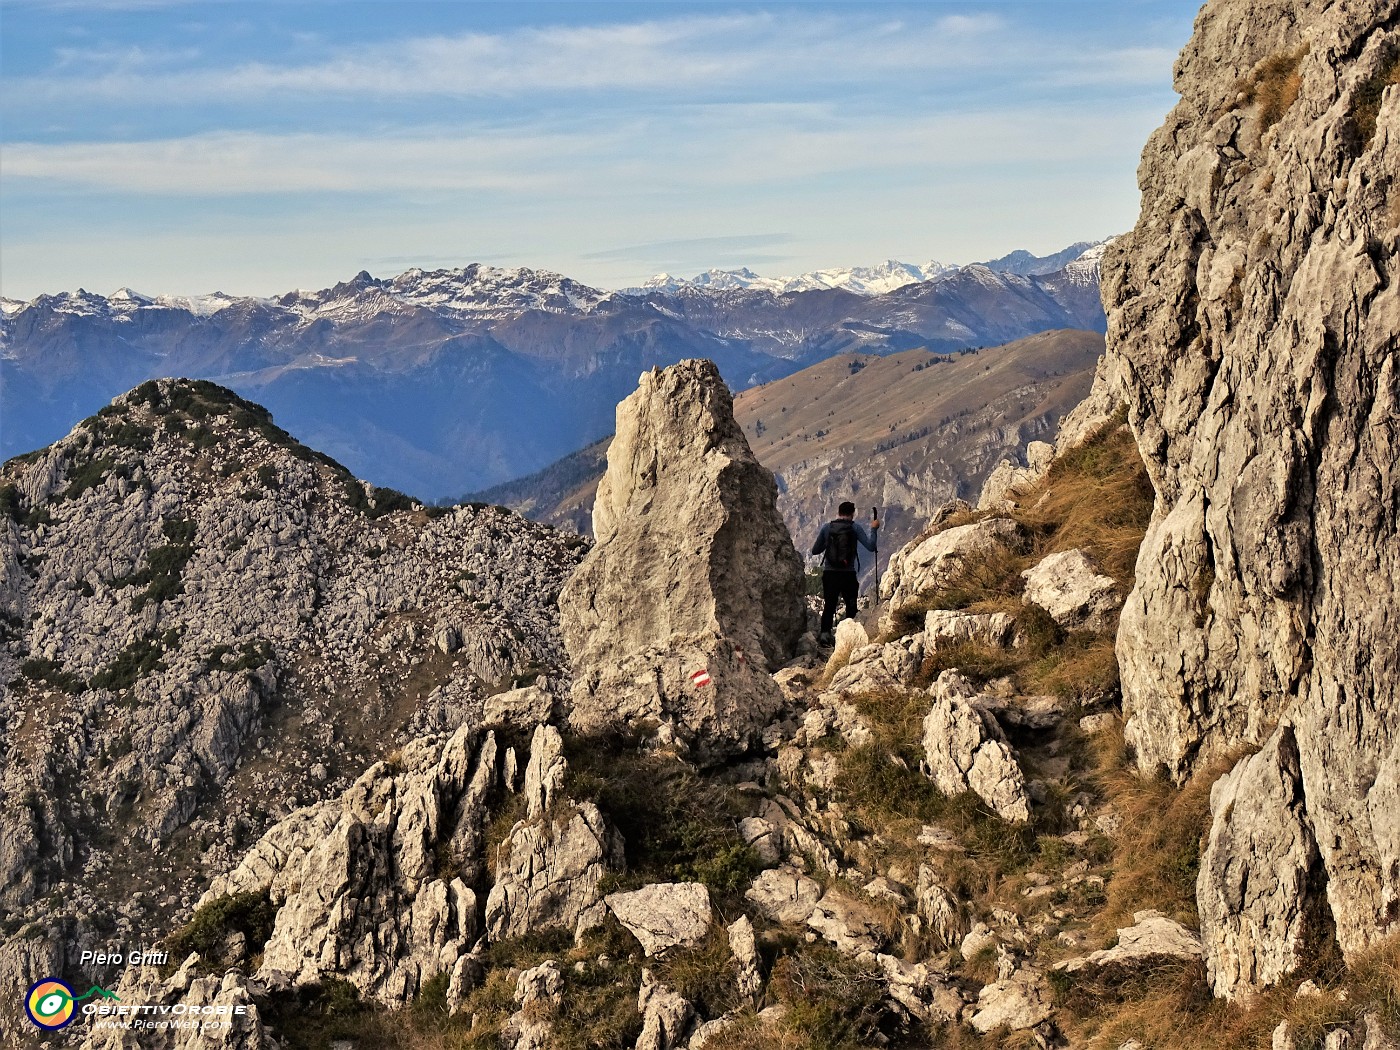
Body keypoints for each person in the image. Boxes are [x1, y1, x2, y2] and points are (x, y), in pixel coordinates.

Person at [811, 501, 879, 644]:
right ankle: (850, 638)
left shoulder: (827, 528)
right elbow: (871, 547)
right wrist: (874, 529)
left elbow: (815, 550)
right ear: (852, 513)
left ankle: (824, 635)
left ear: (838, 512)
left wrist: (828, 543)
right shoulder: (855, 528)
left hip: (830, 573)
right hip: (848, 573)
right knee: (851, 604)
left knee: (829, 605)